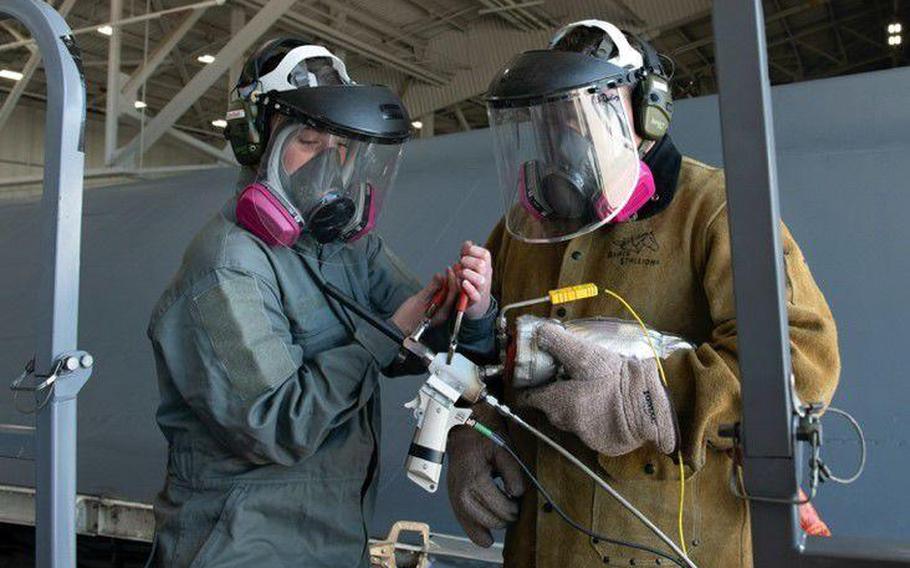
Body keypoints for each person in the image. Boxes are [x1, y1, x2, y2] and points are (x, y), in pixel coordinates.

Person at [444, 20, 840, 568]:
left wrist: (647, 401)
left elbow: (804, 361)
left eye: (581, 118)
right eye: (550, 123)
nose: (564, 143)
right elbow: (485, 360)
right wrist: (474, 426)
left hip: (669, 547)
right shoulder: (523, 231)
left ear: (647, 110)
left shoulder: (715, 211)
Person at [146, 38, 496, 567]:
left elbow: (415, 340)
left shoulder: (343, 245)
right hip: (242, 547)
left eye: (338, 145)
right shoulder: (225, 267)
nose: (327, 162)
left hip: (334, 541)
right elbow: (274, 425)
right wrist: (383, 335)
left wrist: (471, 309)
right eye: (309, 140)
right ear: (256, 141)